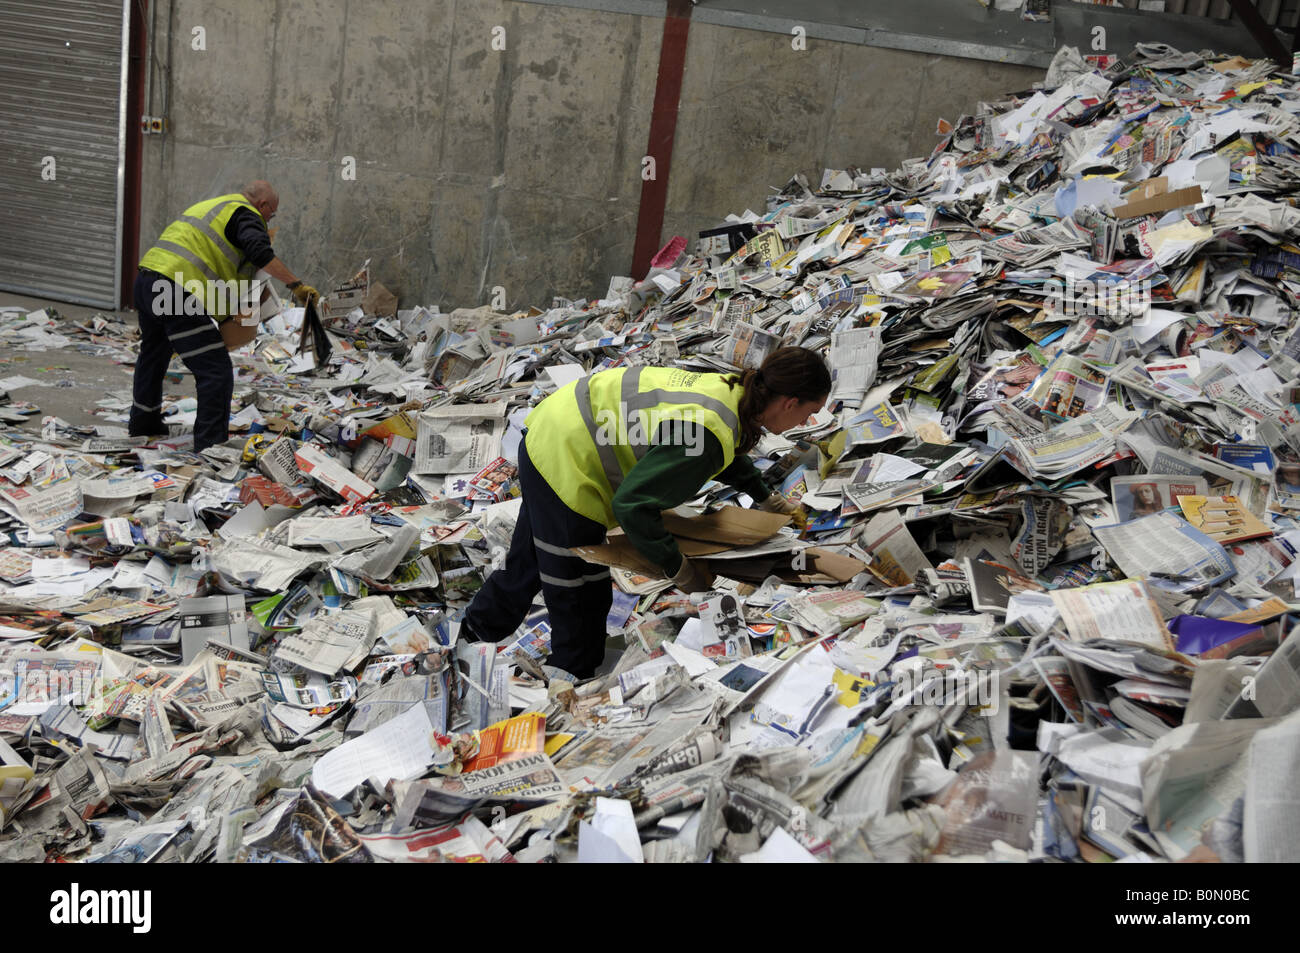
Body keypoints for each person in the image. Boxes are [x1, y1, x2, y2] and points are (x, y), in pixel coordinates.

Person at [461, 346, 832, 679]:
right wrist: (676, 568)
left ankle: (476, 631)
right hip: (567, 457)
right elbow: (633, 506)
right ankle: (572, 674)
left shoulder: (732, 391)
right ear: (789, 402)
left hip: (558, 425)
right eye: (809, 413)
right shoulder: (709, 430)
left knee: (529, 558)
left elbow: (723, 452)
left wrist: (765, 497)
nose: (805, 424)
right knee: (575, 579)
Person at [129, 181, 319, 453]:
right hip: (176, 291)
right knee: (215, 371)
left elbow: (221, 270)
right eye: (271, 214)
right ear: (263, 205)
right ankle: (210, 447)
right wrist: (295, 285)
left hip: (148, 281)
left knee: (153, 355)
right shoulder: (247, 214)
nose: (268, 221)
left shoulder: (214, 207)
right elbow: (261, 253)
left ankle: (143, 424)